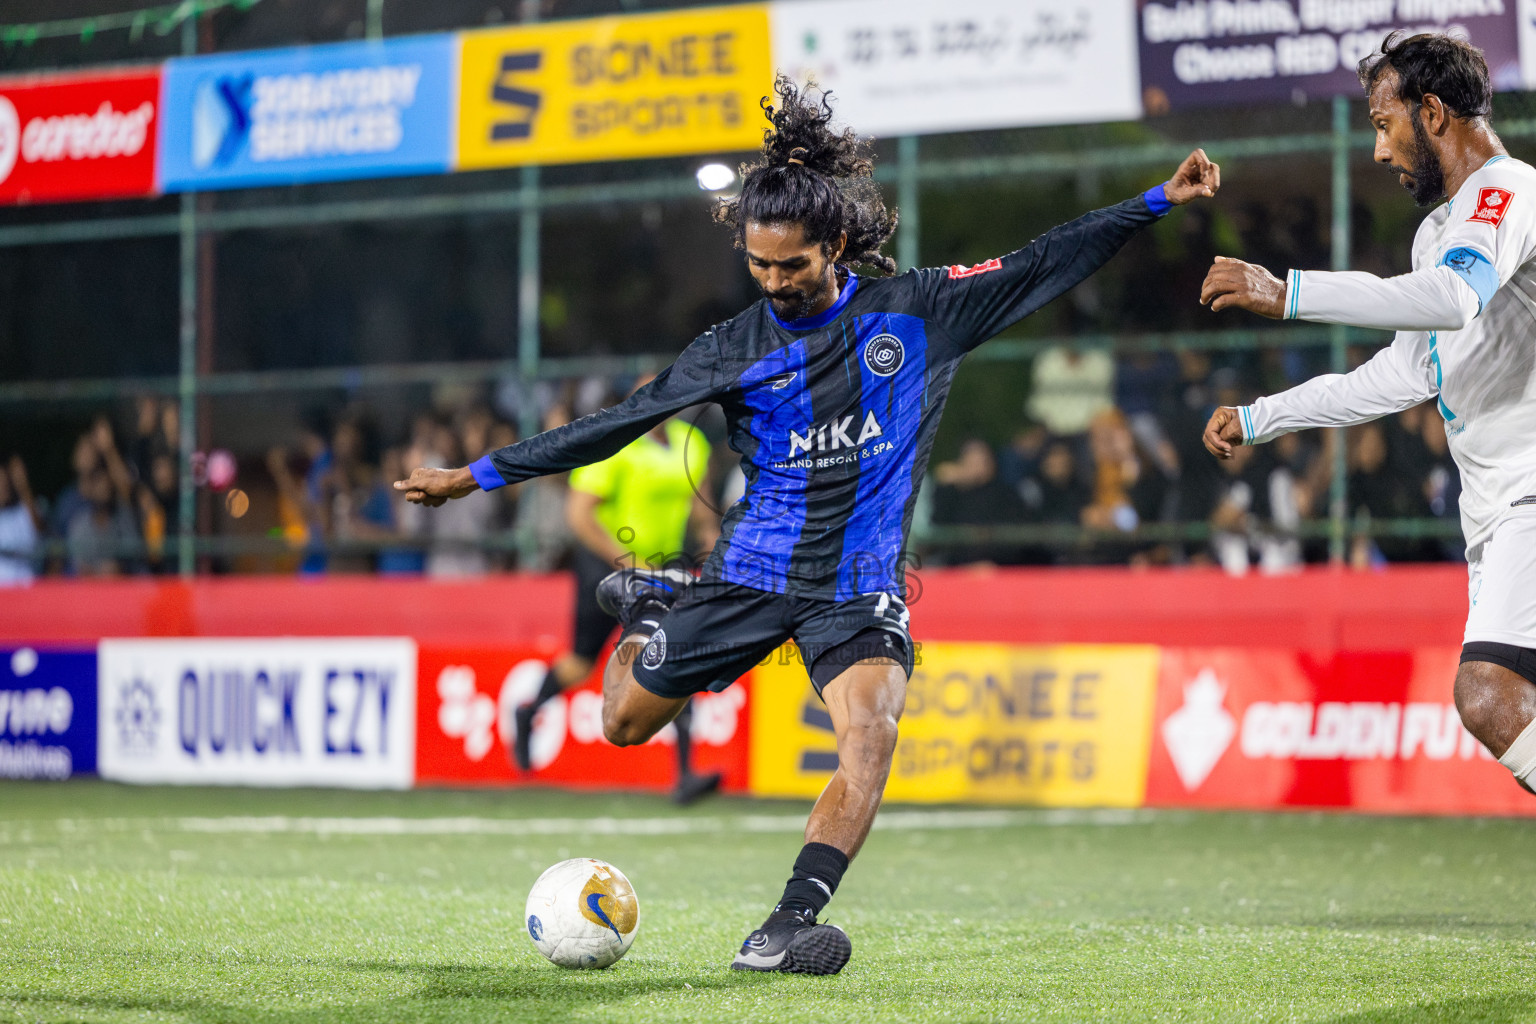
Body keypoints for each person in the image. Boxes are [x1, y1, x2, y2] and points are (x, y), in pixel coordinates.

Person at [397, 76, 1218, 974]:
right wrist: (474, 477)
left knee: (872, 731)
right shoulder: (731, 347)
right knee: (623, 724)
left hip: (859, 585)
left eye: (792, 265)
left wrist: (1152, 202)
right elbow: (611, 428)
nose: (775, 282)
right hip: (751, 569)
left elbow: (1041, 261)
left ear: (835, 244)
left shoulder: (919, 311)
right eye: (759, 265)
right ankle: (645, 611)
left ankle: (786, 925)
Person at [1199, 33, 1536, 794]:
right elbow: (1398, 376)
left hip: (1530, 492)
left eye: (1385, 125)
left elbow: (1456, 299)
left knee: (1490, 695)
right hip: (1491, 511)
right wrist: (1262, 416)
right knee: (1510, 706)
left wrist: (1287, 292)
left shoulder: (1508, 190)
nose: (1380, 151)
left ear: (1433, 111)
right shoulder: (1437, 236)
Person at [511, 378, 724, 805]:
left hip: (662, 570)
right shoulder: (615, 444)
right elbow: (579, 515)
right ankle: (529, 712)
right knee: (580, 663)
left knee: (676, 653)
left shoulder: (691, 442)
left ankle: (684, 774)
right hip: (608, 569)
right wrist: (627, 563)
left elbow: (701, 511)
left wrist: (715, 549)